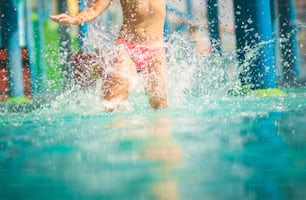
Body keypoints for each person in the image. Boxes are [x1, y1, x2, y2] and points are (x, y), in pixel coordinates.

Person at [50, 0, 168, 110]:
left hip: (156, 50)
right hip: (127, 49)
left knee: (160, 103)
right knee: (113, 102)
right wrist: (75, 19)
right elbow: (94, 9)